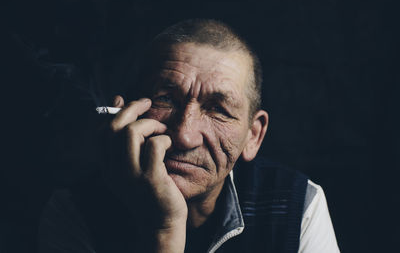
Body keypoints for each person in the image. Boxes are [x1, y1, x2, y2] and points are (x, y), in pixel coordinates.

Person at [38, 19, 340, 253]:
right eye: (165, 99)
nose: (184, 136)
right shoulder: (74, 212)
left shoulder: (298, 205)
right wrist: (163, 230)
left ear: (253, 135)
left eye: (218, 109)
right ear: (128, 112)